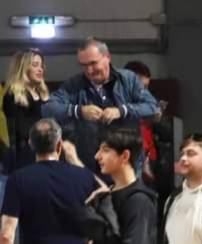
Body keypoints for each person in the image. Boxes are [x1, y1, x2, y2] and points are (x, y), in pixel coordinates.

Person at [42, 38, 158, 173]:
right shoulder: (74, 84)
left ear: (107, 57)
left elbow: (151, 106)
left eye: (93, 63)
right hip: (91, 168)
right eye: (84, 65)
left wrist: (122, 111)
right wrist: (78, 111)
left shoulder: (128, 79)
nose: (89, 70)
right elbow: (47, 108)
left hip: (128, 166)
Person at [3, 50, 49, 173]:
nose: (40, 69)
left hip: (44, 153)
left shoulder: (43, 94)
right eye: (35, 65)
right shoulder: (13, 95)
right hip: (24, 157)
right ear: (22, 68)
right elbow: (20, 129)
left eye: (41, 65)